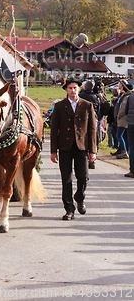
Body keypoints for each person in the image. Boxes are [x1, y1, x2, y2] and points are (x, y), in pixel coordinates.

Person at [50, 77, 97, 221]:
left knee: (83, 177)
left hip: (82, 147)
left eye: (75, 88)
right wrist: (53, 151)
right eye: (70, 88)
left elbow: (92, 129)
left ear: (79, 89)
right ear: (66, 90)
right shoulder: (59, 106)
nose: (72, 90)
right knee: (66, 179)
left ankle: (79, 197)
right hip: (65, 147)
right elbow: (54, 130)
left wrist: (92, 150)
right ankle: (69, 209)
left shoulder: (87, 105)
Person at [113, 80, 132, 159]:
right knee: (125, 136)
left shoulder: (126, 97)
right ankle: (127, 150)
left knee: (119, 135)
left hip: (123, 119)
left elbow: (123, 109)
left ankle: (124, 151)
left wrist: (118, 115)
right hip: (126, 119)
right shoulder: (125, 95)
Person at [125, 92, 134, 178]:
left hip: (131, 124)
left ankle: (132, 170)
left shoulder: (130, 98)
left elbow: (126, 111)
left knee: (132, 148)